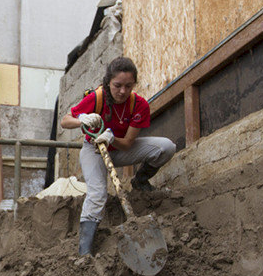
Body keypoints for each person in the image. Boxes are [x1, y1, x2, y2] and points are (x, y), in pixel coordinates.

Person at [60, 57, 176, 256]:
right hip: (93, 150)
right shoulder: (97, 98)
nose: (122, 91)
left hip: (120, 148)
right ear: (108, 83)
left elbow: (129, 142)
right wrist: (82, 119)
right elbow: (65, 121)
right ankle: (84, 252)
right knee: (97, 194)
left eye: (128, 86)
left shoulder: (138, 105)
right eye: (117, 86)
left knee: (166, 147)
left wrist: (111, 138)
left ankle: (140, 181)